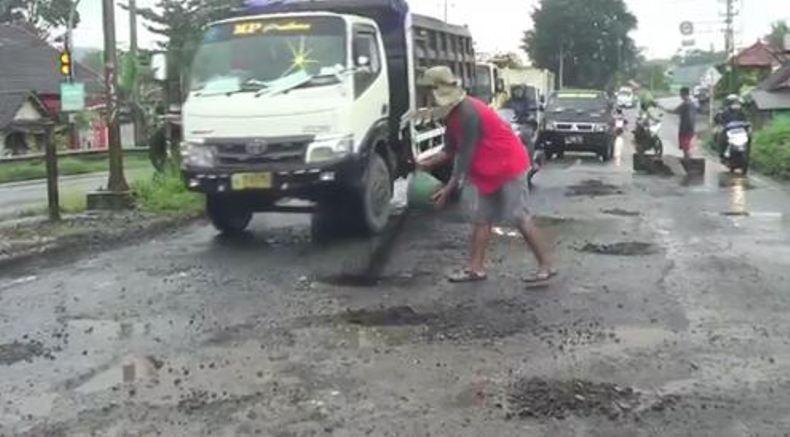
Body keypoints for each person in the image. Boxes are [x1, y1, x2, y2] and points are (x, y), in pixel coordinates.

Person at [416, 66, 556, 284]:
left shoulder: (468, 112)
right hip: (485, 168)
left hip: (507, 164)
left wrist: (449, 188)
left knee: (518, 216)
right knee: (481, 218)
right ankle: (476, 269)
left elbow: (465, 154)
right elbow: (449, 150)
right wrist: (422, 164)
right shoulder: (451, 115)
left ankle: (546, 265)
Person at [669, 87, 696, 159]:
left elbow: (674, 111)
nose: (680, 96)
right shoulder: (692, 103)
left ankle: (688, 161)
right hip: (691, 128)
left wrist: (661, 107)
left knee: (686, 148)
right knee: (687, 147)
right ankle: (688, 160)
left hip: (685, 129)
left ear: (684, 94)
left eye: (681, 94)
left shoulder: (685, 104)